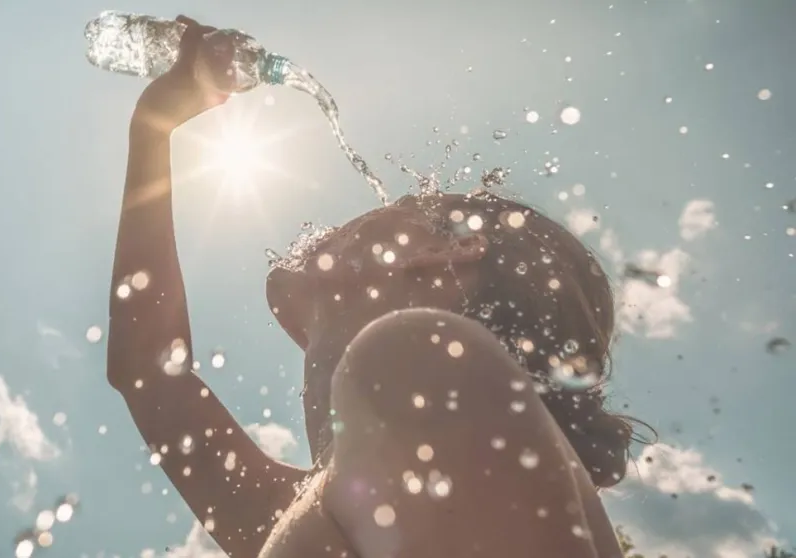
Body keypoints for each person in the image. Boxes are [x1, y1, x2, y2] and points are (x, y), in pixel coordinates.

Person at [107, 16, 646, 558]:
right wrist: (154, 127)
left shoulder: (412, 356)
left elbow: (149, 371)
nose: (361, 216)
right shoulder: (305, 509)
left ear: (449, 251)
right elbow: (146, 368)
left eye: (407, 204)